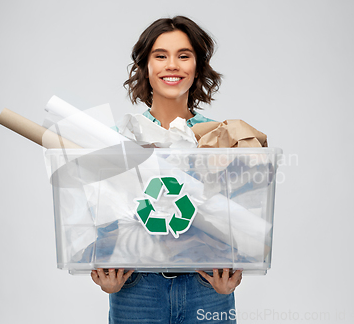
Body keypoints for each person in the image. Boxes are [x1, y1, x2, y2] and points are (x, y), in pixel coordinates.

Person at [91, 16, 242, 323]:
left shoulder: (219, 137)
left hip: (206, 285)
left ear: (197, 67)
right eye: (160, 56)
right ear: (145, 67)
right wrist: (104, 269)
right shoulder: (120, 137)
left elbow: (235, 216)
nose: (172, 65)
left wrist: (235, 267)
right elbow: (102, 213)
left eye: (183, 56)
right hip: (136, 288)